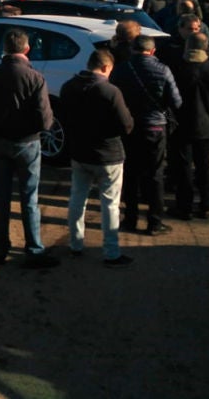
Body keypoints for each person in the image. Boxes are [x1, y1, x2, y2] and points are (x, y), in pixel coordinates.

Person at [0, 29, 58, 268]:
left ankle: (0, 247)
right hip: (27, 143)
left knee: (1, 197)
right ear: (26, 49)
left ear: (5, 48)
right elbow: (45, 119)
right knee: (29, 198)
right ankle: (34, 249)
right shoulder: (35, 77)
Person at [60, 50, 135, 267]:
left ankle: (76, 243)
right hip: (108, 155)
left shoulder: (68, 87)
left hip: (79, 153)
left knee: (77, 198)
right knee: (110, 204)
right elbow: (126, 125)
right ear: (105, 67)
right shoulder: (110, 91)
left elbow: (64, 117)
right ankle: (111, 252)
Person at [110, 35, 182, 236]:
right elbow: (176, 101)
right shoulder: (163, 70)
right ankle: (154, 221)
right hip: (155, 127)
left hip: (129, 126)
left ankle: (130, 218)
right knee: (155, 174)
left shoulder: (121, 69)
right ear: (152, 51)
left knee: (130, 172)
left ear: (133, 49)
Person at [171, 32, 209, 220]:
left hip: (180, 124)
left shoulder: (177, 68)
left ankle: (184, 205)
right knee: (204, 166)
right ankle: (206, 203)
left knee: (183, 167)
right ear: (206, 47)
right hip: (206, 124)